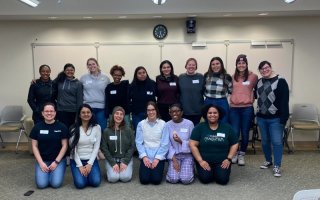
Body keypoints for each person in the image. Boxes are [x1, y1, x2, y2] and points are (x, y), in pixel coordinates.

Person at [255, 60, 289, 177]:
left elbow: (285, 102)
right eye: (262, 69)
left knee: (277, 142)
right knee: (265, 142)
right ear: (259, 71)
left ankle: (277, 165)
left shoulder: (281, 81)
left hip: (276, 118)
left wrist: (283, 120)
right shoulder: (259, 82)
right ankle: (268, 161)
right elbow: (256, 96)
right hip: (261, 118)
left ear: (270, 68)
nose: (264, 70)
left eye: (266, 68)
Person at [189, 104, 238, 185]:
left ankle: (217, 172)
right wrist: (200, 161)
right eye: (210, 113)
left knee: (222, 180)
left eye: (215, 113)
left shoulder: (227, 127)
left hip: (222, 161)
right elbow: (192, 144)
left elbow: (234, 144)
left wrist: (229, 159)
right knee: (205, 179)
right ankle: (207, 171)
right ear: (206, 114)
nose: (212, 115)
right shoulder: (199, 127)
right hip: (204, 160)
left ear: (219, 114)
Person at [29, 102, 68, 189]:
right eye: (46, 111)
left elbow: (65, 145)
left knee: (55, 184)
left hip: (58, 160)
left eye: (51, 111)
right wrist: (41, 163)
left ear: (55, 112)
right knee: (41, 185)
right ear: (42, 113)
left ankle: (54, 171)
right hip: (43, 160)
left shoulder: (62, 127)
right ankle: (48, 172)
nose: (49, 113)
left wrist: (56, 162)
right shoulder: (37, 127)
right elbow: (34, 146)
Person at [229, 55, 258, 166]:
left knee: (245, 133)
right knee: (235, 133)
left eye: (243, 63)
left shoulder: (253, 77)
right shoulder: (232, 77)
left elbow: (257, 89)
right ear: (236, 65)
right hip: (234, 109)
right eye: (239, 63)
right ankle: (235, 153)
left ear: (246, 64)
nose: (241, 65)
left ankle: (242, 154)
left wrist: (253, 97)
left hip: (247, 109)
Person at [135, 101, 169, 185]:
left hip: (158, 153)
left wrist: (157, 158)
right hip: (146, 153)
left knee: (156, 180)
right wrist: (144, 157)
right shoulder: (141, 124)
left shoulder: (163, 124)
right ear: (146, 111)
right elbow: (139, 142)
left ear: (156, 110)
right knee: (144, 180)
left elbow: (165, 143)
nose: (151, 112)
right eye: (148, 110)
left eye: (153, 109)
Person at [69, 104, 101, 189]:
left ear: (91, 114)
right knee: (80, 184)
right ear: (79, 115)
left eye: (88, 112)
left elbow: (96, 147)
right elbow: (73, 149)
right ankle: (83, 175)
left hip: (91, 159)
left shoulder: (97, 127)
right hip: (76, 160)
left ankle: (88, 174)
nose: (86, 114)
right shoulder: (73, 128)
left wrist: (90, 164)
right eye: (83, 112)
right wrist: (80, 166)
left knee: (95, 182)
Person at [100, 106, 135, 183]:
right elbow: (104, 148)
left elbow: (132, 147)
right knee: (113, 178)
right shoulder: (106, 131)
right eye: (116, 113)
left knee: (125, 178)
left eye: (121, 114)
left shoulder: (129, 130)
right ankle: (112, 169)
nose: (118, 116)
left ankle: (125, 168)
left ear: (123, 116)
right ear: (113, 115)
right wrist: (112, 163)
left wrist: (125, 161)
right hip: (112, 159)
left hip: (125, 159)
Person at [165, 103, 194, 184]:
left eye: (177, 111)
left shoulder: (189, 124)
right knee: (174, 179)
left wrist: (181, 141)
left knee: (185, 180)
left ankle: (190, 169)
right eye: (172, 111)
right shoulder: (167, 125)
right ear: (170, 113)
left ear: (182, 112)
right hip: (174, 156)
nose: (175, 113)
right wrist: (173, 160)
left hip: (187, 155)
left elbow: (193, 142)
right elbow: (167, 144)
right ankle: (173, 170)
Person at [80, 58, 110, 131]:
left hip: (101, 108)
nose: (91, 66)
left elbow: (109, 93)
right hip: (88, 108)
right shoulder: (83, 78)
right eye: (89, 65)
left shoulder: (106, 78)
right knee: (89, 129)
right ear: (87, 67)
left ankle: (101, 143)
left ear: (97, 65)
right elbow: (80, 92)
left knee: (102, 129)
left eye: (93, 64)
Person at [203, 57, 232, 123]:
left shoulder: (226, 77)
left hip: (222, 102)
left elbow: (231, 90)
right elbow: (203, 88)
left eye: (217, 63)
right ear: (210, 66)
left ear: (221, 64)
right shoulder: (206, 75)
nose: (215, 66)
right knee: (209, 122)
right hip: (208, 101)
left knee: (223, 122)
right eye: (213, 64)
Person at [55, 63, 83, 129]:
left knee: (72, 130)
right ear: (64, 71)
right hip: (61, 111)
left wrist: (78, 114)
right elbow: (49, 83)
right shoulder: (59, 81)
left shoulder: (78, 83)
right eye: (67, 70)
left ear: (74, 71)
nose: (69, 71)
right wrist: (36, 80)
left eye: (71, 70)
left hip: (73, 111)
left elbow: (80, 100)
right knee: (63, 130)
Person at [130, 66, 156, 132]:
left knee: (150, 132)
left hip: (150, 113)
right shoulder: (132, 86)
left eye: (144, 72)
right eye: (139, 73)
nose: (142, 74)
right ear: (136, 75)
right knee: (139, 131)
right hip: (137, 114)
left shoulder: (153, 84)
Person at [179, 58, 204, 126]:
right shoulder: (181, 77)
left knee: (195, 131)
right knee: (185, 131)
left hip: (197, 111)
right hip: (184, 111)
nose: (191, 66)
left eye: (193, 65)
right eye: (189, 64)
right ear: (186, 66)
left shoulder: (201, 77)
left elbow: (204, 92)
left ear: (196, 67)